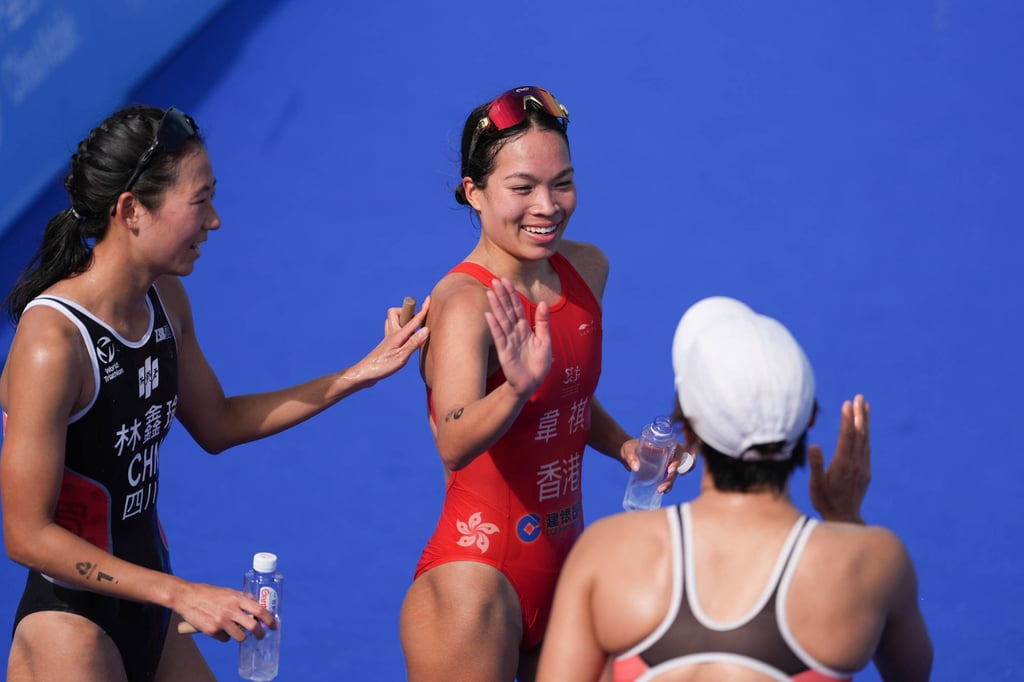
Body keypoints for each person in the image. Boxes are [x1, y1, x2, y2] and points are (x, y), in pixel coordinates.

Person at [0, 104, 429, 682]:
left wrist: (358, 374)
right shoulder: (52, 343)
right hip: (70, 628)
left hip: (152, 609)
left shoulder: (165, 300)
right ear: (131, 211)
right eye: (199, 202)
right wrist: (181, 594)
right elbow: (26, 535)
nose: (216, 221)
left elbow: (218, 423)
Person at [397, 86, 684, 682]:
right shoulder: (464, 303)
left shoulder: (587, 269)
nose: (547, 206)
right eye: (522, 188)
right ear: (474, 194)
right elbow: (452, 440)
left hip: (567, 569)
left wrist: (624, 446)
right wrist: (514, 389)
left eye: (562, 183)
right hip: (476, 585)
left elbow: (569, 394)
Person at [536, 296, 934, 681]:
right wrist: (845, 522)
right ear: (809, 419)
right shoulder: (875, 562)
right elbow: (911, 674)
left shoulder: (605, 553)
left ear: (687, 427)